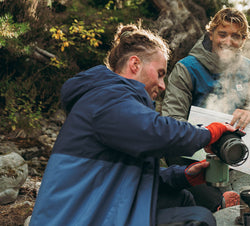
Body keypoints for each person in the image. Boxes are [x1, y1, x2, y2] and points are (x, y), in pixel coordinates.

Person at [30, 23, 236, 226]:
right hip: (74, 218)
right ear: (135, 64)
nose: (163, 85)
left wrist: (183, 176)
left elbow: (132, 172)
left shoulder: (115, 100)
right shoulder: (107, 98)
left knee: (181, 199)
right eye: (160, 73)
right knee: (199, 218)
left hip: (98, 204)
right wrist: (208, 134)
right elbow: (157, 131)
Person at [161, 7, 250, 214]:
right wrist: (205, 133)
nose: (227, 41)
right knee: (172, 143)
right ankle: (219, 203)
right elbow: (172, 118)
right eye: (222, 34)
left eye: (235, 36)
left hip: (237, 146)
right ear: (211, 34)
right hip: (199, 145)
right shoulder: (187, 68)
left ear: (243, 40)